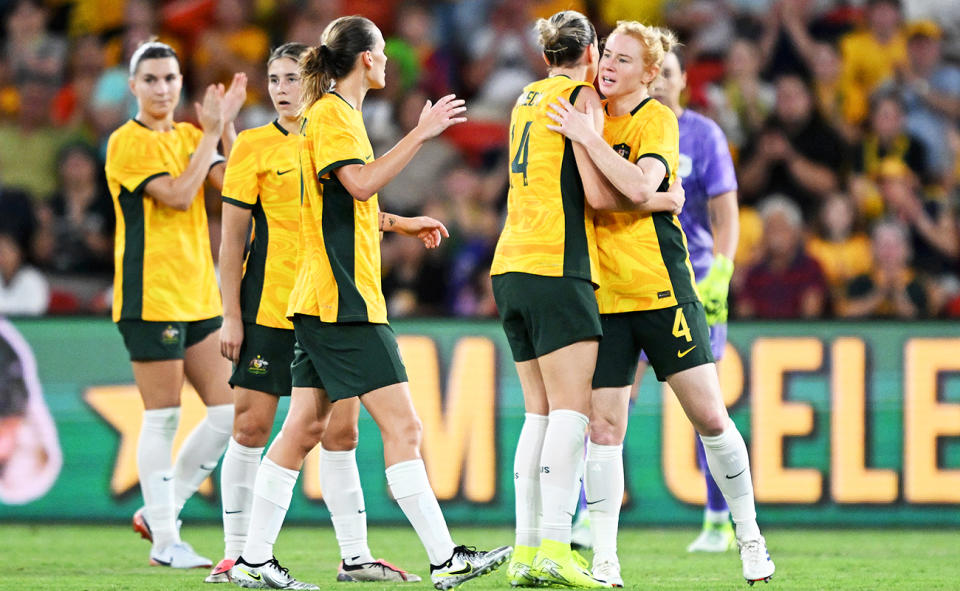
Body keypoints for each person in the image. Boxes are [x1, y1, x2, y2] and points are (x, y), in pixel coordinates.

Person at [228, 16, 511, 590]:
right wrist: (422, 132)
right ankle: (444, 558)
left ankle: (253, 560)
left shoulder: (331, 115)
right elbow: (357, 183)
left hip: (317, 296)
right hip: (343, 301)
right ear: (364, 58)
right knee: (403, 426)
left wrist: (399, 223)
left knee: (303, 430)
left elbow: (338, 207)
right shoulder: (333, 113)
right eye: (381, 51)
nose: (388, 61)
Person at [546, 20, 775, 587]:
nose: (609, 66)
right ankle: (604, 558)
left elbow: (642, 185)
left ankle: (748, 536)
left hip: (663, 290)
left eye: (624, 60)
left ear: (650, 74)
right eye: (609, 56)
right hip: (605, 294)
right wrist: (630, 183)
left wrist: (592, 143)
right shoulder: (586, 109)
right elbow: (608, 201)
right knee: (603, 428)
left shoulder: (657, 119)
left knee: (710, 416)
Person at [211, 42, 419, 585]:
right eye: (274, 79)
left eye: (292, 78)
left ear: (315, 79)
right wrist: (230, 314)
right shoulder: (253, 147)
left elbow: (347, 214)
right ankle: (239, 555)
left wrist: (399, 224)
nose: (282, 89)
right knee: (253, 426)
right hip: (268, 306)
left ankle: (355, 555)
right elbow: (232, 242)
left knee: (341, 433)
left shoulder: (330, 131)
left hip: (324, 302)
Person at [492, 11, 683, 588]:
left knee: (537, 416)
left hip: (509, 265)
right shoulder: (582, 98)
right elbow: (600, 195)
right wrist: (661, 201)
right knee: (571, 415)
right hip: (559, 265)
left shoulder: (525, 96)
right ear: (592, 51)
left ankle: (526, 553)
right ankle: (555, 544)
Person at [104, 41, 247, 568]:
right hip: (150, 296)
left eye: (170, 78)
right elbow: (180, 196)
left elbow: (235, 190)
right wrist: (210, 134)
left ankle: (163, 511)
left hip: (197, 293)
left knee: (228, 412)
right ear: (133, 85)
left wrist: (226, 126)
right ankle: (166, 541)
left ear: (181, 82)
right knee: (162, 417)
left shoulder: (191, 135)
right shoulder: (126, 143)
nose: (162, 88)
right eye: (152, 79)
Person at [647, 47, 741, 553]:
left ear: (683, 80)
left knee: (707, 409)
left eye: (668, 72)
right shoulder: (622, 128)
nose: (659, 81)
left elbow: (726, 217)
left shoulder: (703, 135)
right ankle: (579, 524)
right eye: (653, 72)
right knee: (606, 405)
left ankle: (719, 520)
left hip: (692, 283)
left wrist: (719, 276)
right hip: (632, 281)